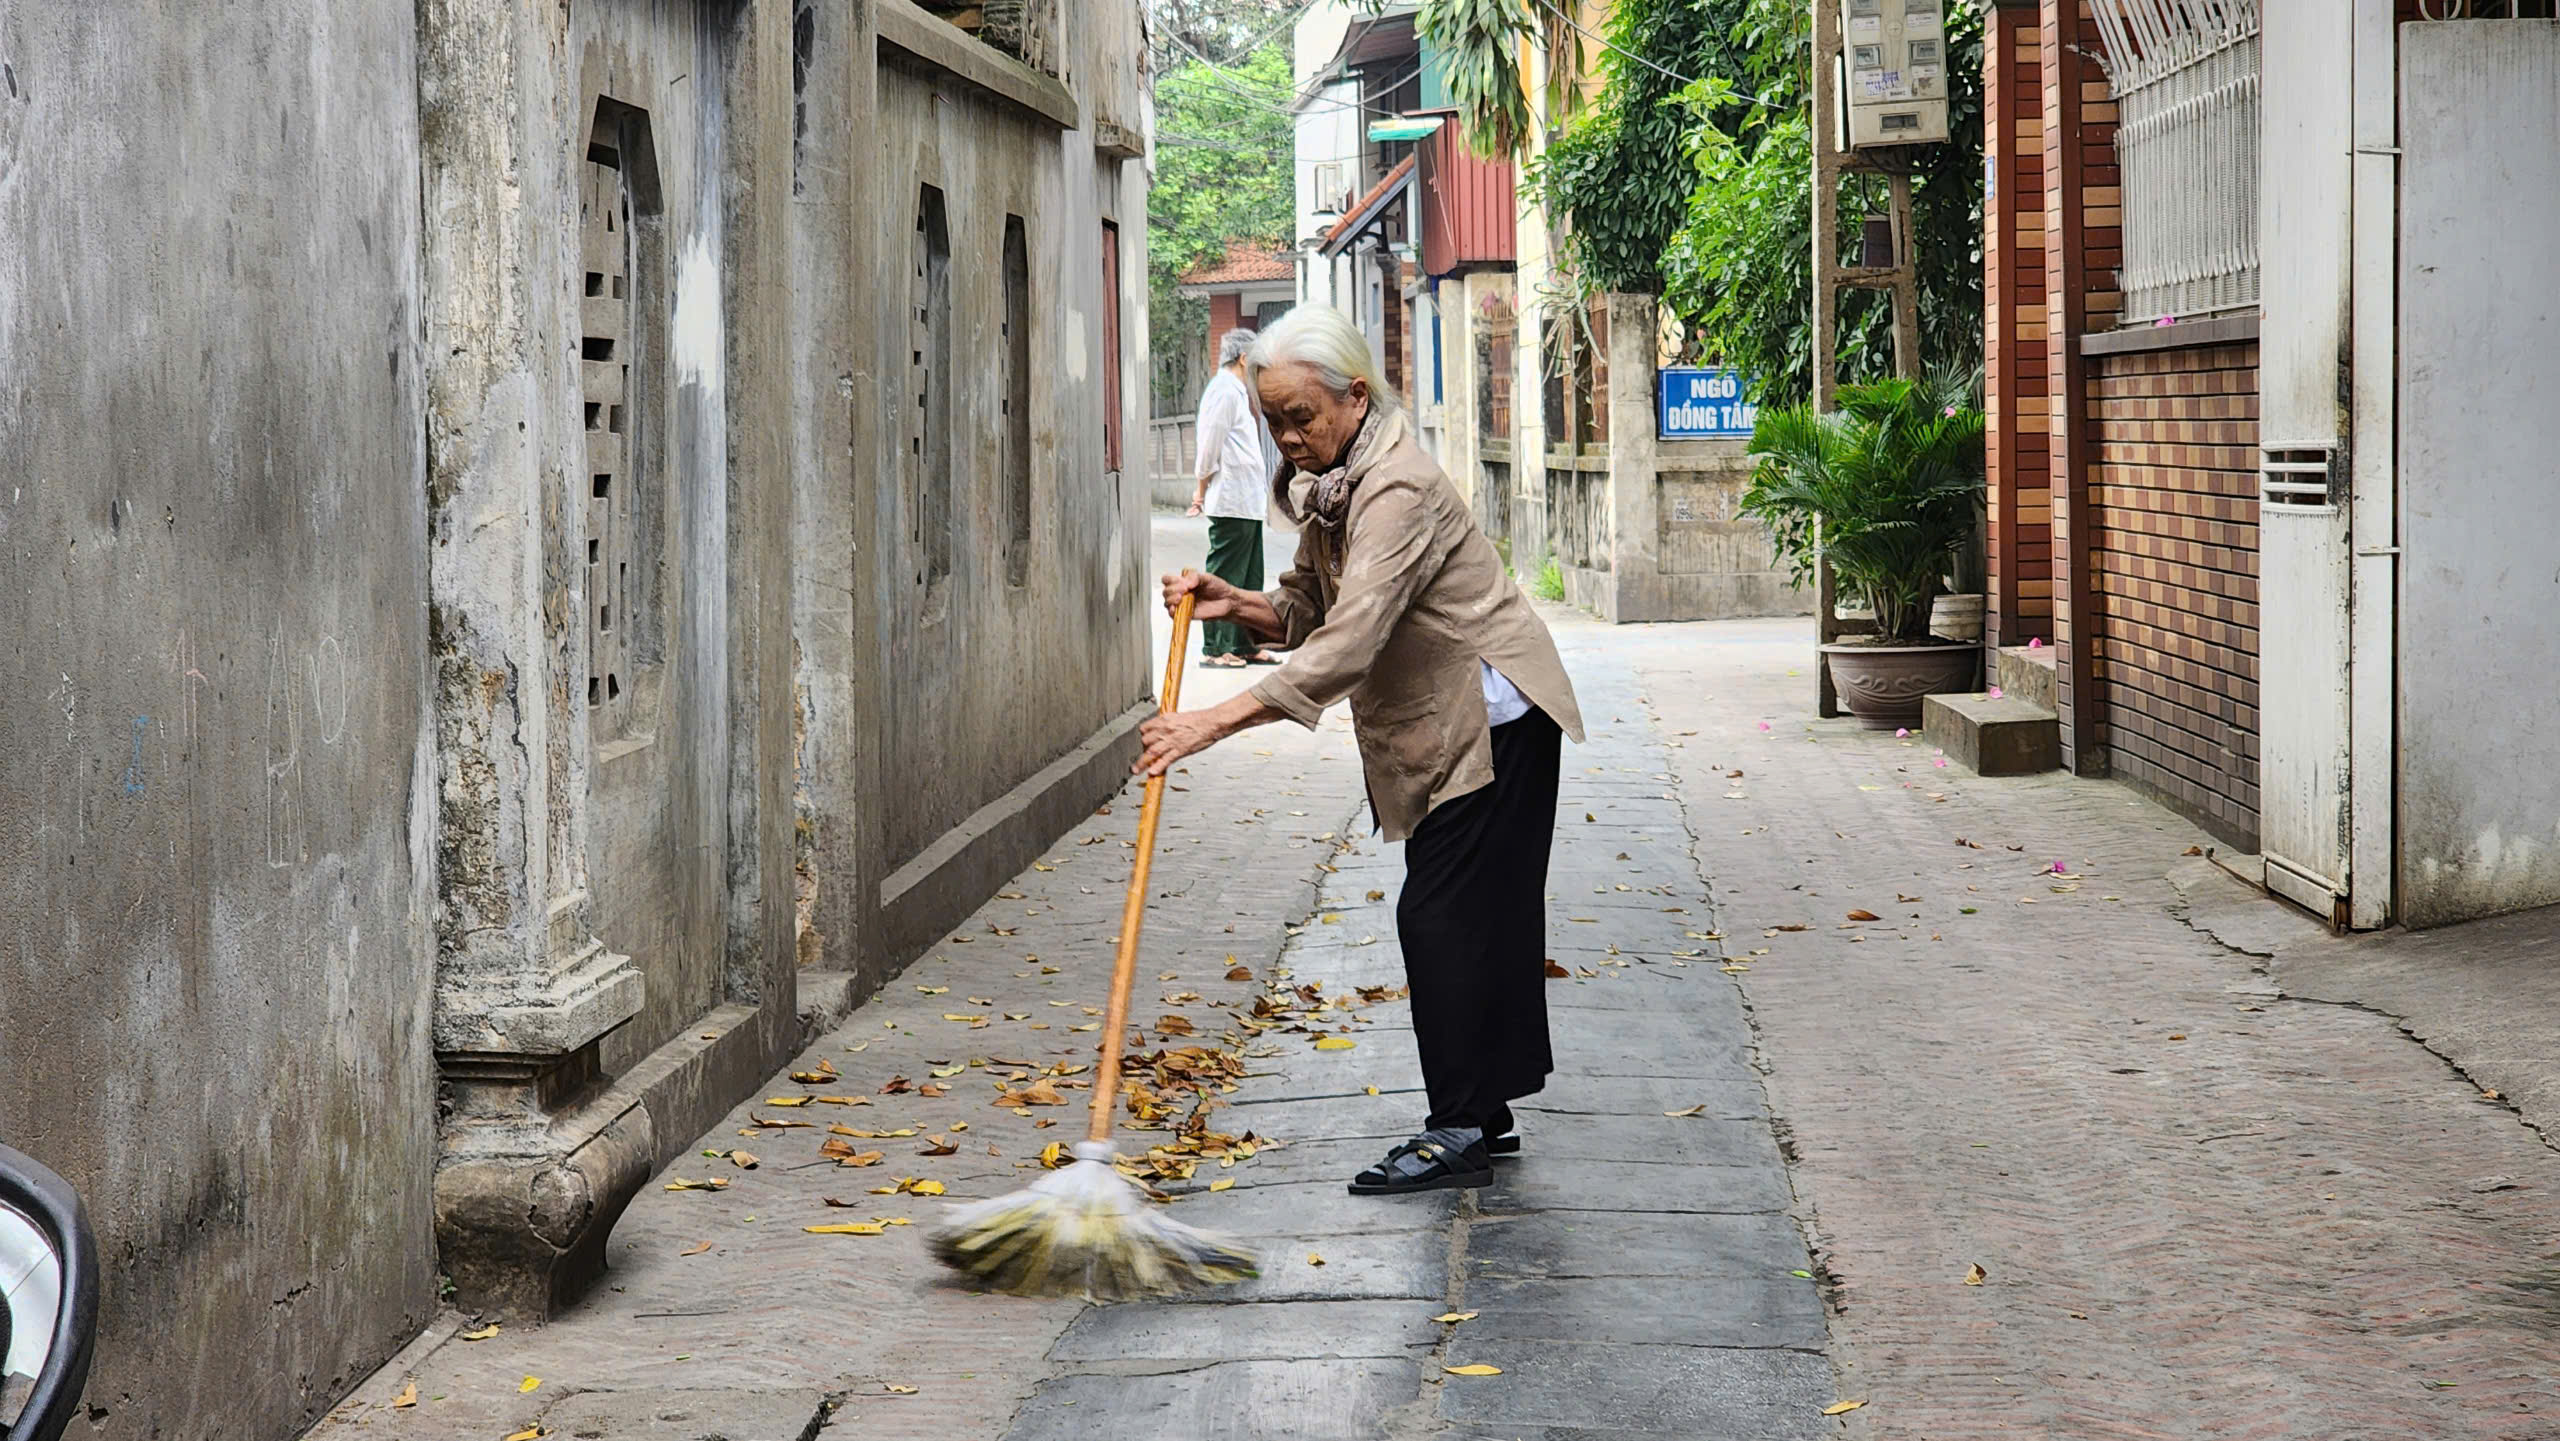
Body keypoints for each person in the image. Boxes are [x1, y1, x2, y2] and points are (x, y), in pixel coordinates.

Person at [1137, 304, 1584, 1196]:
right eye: (1274, 422)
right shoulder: (1338, 482)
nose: (1289, 438)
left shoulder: (1396, 487)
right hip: (1450, 719)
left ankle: (1457, 1125)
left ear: (1354, 396)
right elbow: (1307, 601)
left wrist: (1209, 723)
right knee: (1477, 915)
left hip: (1490, 715)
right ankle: (1484, 1112)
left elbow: (1350, 640)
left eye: (1302, 418)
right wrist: (1234, 600)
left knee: (1443, 916)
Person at [1187, 328, 1283, 667]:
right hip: (1230, 499)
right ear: (1243, 358)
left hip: (1247, 502)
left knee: (1248, 577)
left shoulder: (1238, 392)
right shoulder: (1223, 392)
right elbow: (1209, 445)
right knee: (1225, 574)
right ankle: (1216, 649)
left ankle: (1244, 645)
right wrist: (1200, 490)